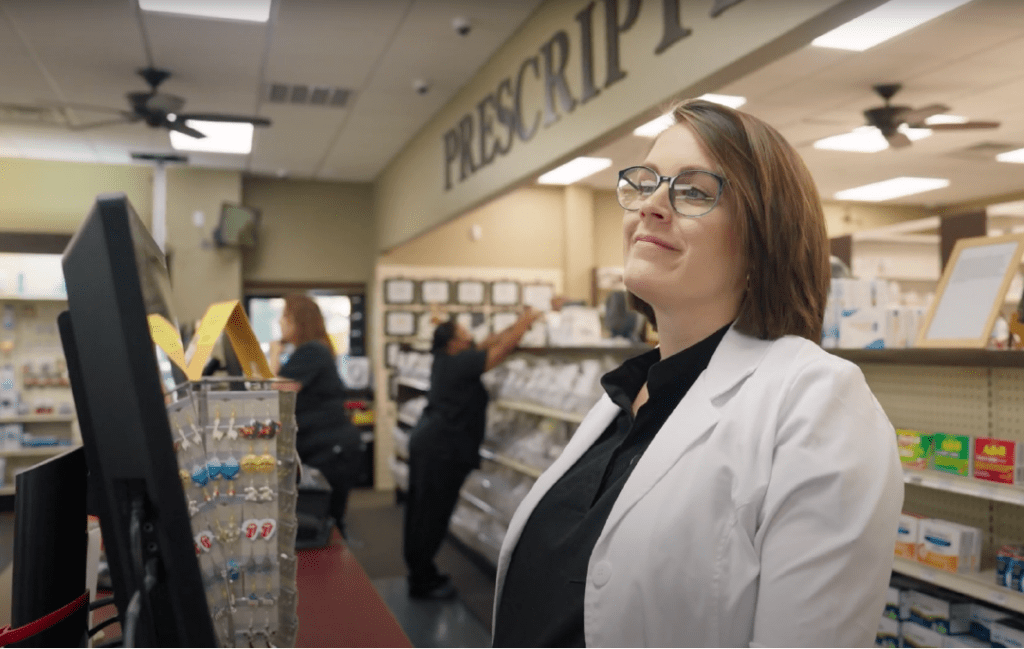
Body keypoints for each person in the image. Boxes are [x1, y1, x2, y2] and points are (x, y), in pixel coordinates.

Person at [491, 99, 904, 647]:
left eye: (693, 190)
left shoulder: (818, 401)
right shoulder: (622, 398)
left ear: (765, 239)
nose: (652, 205)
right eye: (645, 182)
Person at [404, 308, 545, 599]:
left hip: (431, 445)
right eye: (464, 333)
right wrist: (527, 321)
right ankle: (422, 579)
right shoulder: (460, 364)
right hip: (441, 450)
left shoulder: (448, 360)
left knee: (422, 512)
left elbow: (490, 342)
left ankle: (421, 571)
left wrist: (514, 324)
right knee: (432, 515)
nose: (471, 336)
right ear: (454, 343)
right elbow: (500, 350)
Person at [271, 294, 363, 539]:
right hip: (326, 445)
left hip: (330, 448)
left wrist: (273, 353)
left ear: (297, 321)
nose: (280, 323)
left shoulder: (312, 350)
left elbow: (274, 391)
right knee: (325, 520)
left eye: (284, 317)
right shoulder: (313, 350)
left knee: (325, 522)